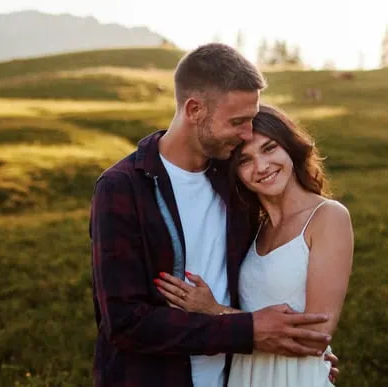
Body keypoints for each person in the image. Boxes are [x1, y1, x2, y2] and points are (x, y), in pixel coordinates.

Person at [89, 44, 339, 386]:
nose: (248, 134)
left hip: (237, 378)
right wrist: (250, 331)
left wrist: (287, 354)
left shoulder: (232, 180)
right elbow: (125, 322)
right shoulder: (122, 189)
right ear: (194, 110)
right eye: (238, 122)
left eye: (251, 121)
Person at [154, 104, 353, 386]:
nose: (261, 167)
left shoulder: (327, 217)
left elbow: (315, 337)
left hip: (294, 378)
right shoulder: (253, 227)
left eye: (270, 148)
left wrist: (214, 311)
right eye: (245, 161)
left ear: (290, 148)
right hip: (245, 375)